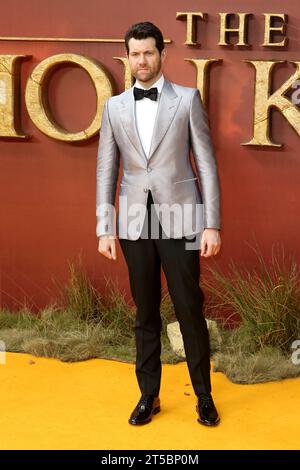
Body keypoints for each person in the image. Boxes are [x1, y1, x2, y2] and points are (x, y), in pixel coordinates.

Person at [96, 21, 221, 427]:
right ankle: (149, 395)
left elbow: (206, 163)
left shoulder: (187, 99)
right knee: (145, 311)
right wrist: (104, 227)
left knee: (189, 308)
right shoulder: (114, 107)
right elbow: (105, 170)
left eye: (149, 52)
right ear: (127, 56)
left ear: (162, 55)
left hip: (183, 216)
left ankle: (203, 396)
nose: (142, 60)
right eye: (135, 53)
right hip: (134, 219)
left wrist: (212, 223)